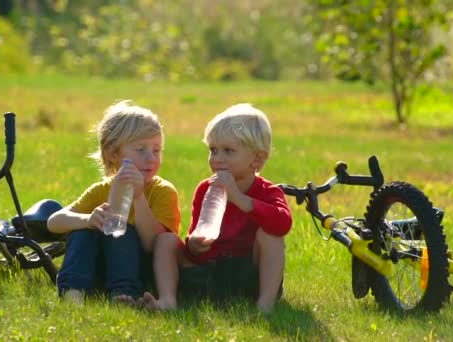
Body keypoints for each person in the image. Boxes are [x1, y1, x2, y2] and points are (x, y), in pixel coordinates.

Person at [142, 103, 292, 313]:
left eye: (228, 151)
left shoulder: (269, 192)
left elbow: (282, 224)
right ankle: (168, 299)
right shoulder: (206, 188)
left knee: (272, 237)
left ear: (257, 158)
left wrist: (239, 198)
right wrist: (193, 244)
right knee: (166, 240)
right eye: (213, 150)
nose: (217, 158)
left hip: (247, 277)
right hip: (207, 273)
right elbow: (198, 232)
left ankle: (264, 305)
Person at [47, 100, 181, 305]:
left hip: (140, 268)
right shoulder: (103, 189)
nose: (151, 158)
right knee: (82, 230)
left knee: (123, 229)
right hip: (100, 266)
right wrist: (88, 220)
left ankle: (123, 294)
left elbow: (153, 244)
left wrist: (139, 198)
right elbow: (54, 222)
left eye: (156, 150)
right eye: (140, 149)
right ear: (113, 154)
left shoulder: (162, 191)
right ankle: (72, 291)